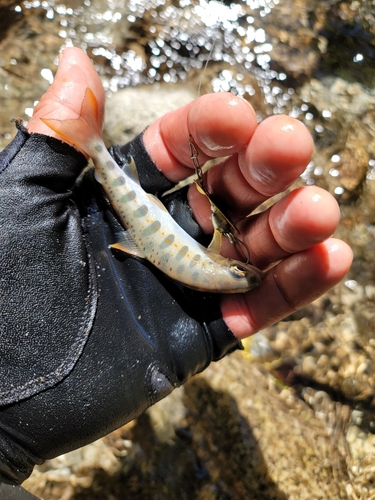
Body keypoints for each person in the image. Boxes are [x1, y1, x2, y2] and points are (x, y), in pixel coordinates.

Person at [0, 47, 352, 487]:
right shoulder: (220, 270)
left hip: (141, 222)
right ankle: (90, 142)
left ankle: (90, 141)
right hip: (140, 225)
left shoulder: (216, 266)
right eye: (243, 273)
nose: (242, 271)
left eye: (241, 274)